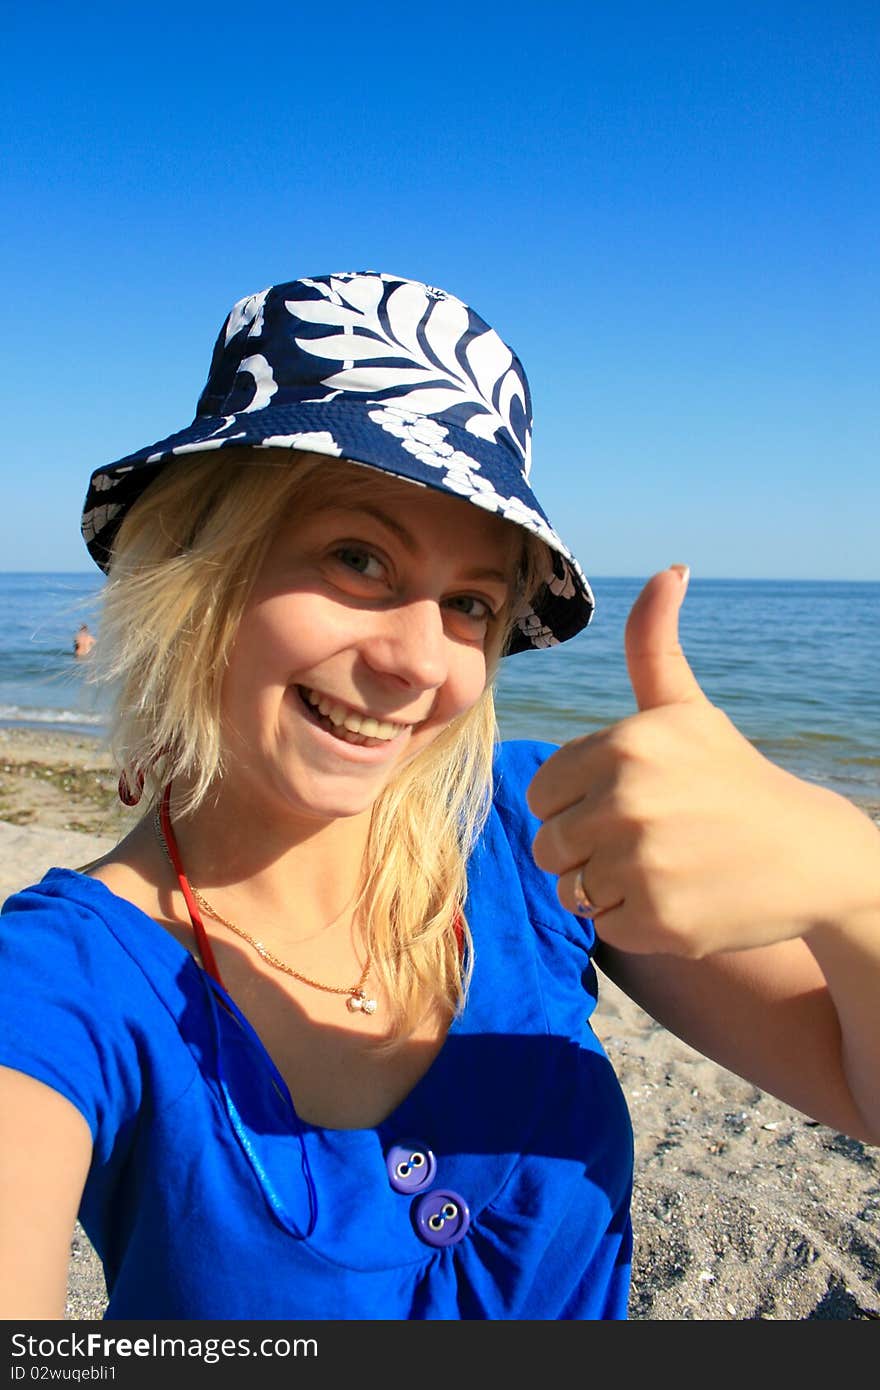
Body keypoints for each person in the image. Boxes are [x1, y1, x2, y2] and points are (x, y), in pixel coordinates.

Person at [0, 270, 878, 1322]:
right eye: (359, 557)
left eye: (471, 603)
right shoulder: (64, 979)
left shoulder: (530, 827)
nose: (422, 661)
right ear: (199, 567)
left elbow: (856, 1091)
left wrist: (846, 879)